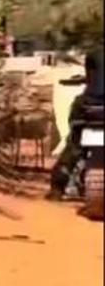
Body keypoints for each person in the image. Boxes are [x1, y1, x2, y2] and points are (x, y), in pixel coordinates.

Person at [50, 48, 105, 198]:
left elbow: (91, 79)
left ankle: (57, 187)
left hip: (90, 108)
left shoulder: (95, 53)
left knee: (74, 145)